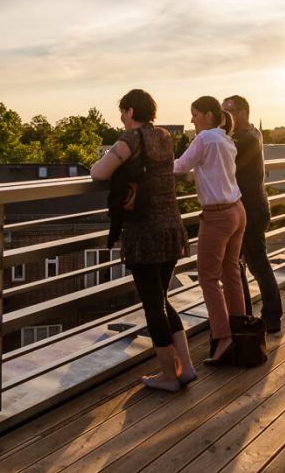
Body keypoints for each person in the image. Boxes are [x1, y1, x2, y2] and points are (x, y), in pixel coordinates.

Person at [91, 89, 194, 392]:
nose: (121, 118)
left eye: (123, 112)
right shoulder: (164, 137)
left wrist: (109, 160)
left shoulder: (130, 140)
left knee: (153, 305)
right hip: (171, 227)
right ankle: (186, 367)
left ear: (131, 112)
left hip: (145, 233)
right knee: (162, 299)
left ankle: (167, 375)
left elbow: (99, 173)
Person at [174, 95, 246, 365]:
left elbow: (180, 166)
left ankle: (223, 337)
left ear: (207, 115)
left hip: (218, 216)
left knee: (207, 277)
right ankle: (238, 330)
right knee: (231, 273)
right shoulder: (225, 138)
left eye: (194, 114)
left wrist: (152, 168)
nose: (191, 120)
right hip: (237, 210)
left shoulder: (205, 139)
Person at [222, 95, 283, 333]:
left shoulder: (242, 139)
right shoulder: (254, 132)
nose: (224, 116)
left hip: (250, 208)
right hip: (255, 205)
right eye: (221, 111)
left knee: (251, 262)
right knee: (250, 262)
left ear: (243, 112)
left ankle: (262, 316)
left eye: (229, 111)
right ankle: (255, 315)